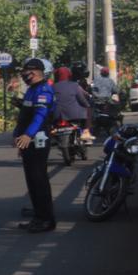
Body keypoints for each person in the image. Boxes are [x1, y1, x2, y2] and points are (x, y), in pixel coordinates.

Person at [12, 58, 56, 233]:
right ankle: (38, 215)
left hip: (37, 141)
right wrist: (17, 136)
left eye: (27, 72)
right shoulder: (32, 90)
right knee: (32, 180)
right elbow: (25, 115)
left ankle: (46, 219)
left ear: (37, 72)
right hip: (28, 142)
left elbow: (40, 116)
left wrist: (27, 135)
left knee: (39, 181)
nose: (24, 75)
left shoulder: (44, 90)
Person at [52, 66, 92, 144]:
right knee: (88, 109)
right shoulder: (74, 85)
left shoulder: (53, 87)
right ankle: (86, 133)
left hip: (57, 115)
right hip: (74, 114)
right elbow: (82, 99)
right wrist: (86, 104)